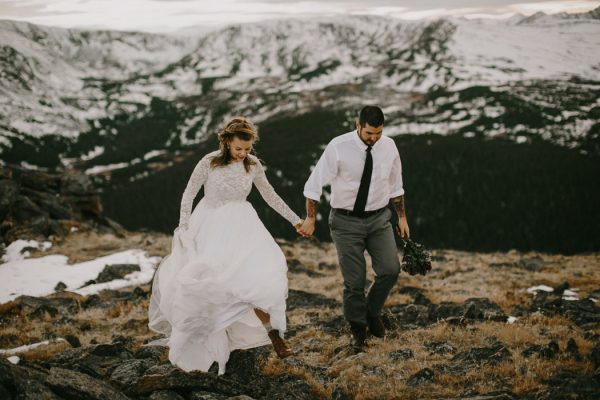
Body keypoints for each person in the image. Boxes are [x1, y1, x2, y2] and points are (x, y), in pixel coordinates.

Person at [148, 117, 303, 375]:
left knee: (252, 278)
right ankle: (217, 339)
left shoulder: (253, 165)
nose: (244, 153)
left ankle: (275, 335)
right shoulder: (208, 162)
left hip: (243, 226)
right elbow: (189, 193)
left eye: (248, 148)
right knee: (214, 282)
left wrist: (295, 221)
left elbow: (270, 195)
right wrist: (183, 226)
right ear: (227, 142)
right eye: (239, 149)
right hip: (209, 224)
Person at [298, 105, 410, 353]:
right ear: (357, 125)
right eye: (370, 133)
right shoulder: (338, 147)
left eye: (379, 132)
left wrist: (402, 218)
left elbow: (396, 184)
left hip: (380, 218)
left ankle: (371, 313)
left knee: (390, 270)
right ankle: (358, 328)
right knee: (354, 281)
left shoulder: (389, 146)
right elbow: (313, 185)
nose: (374, 138)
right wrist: (310, 218)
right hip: (345, 222)